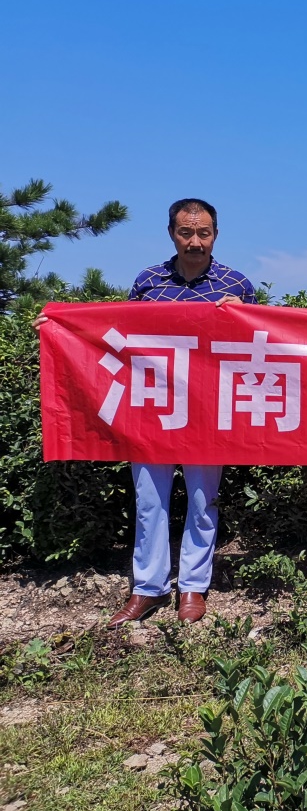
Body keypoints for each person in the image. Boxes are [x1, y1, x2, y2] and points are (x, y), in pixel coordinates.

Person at [35, 198, 257, 627]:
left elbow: (259, 345)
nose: (195, 241)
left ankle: (193, 586)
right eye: (186, 232)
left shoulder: (237, 284)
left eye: (204, 233)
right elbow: (117, 337)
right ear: (172, 233)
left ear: (216, 234)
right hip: (152, 410)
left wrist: (243, 313)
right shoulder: (148, 281)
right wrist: (59, 328)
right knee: (150, 501)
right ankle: (148, 588)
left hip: (209, 413)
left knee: (202, 500)